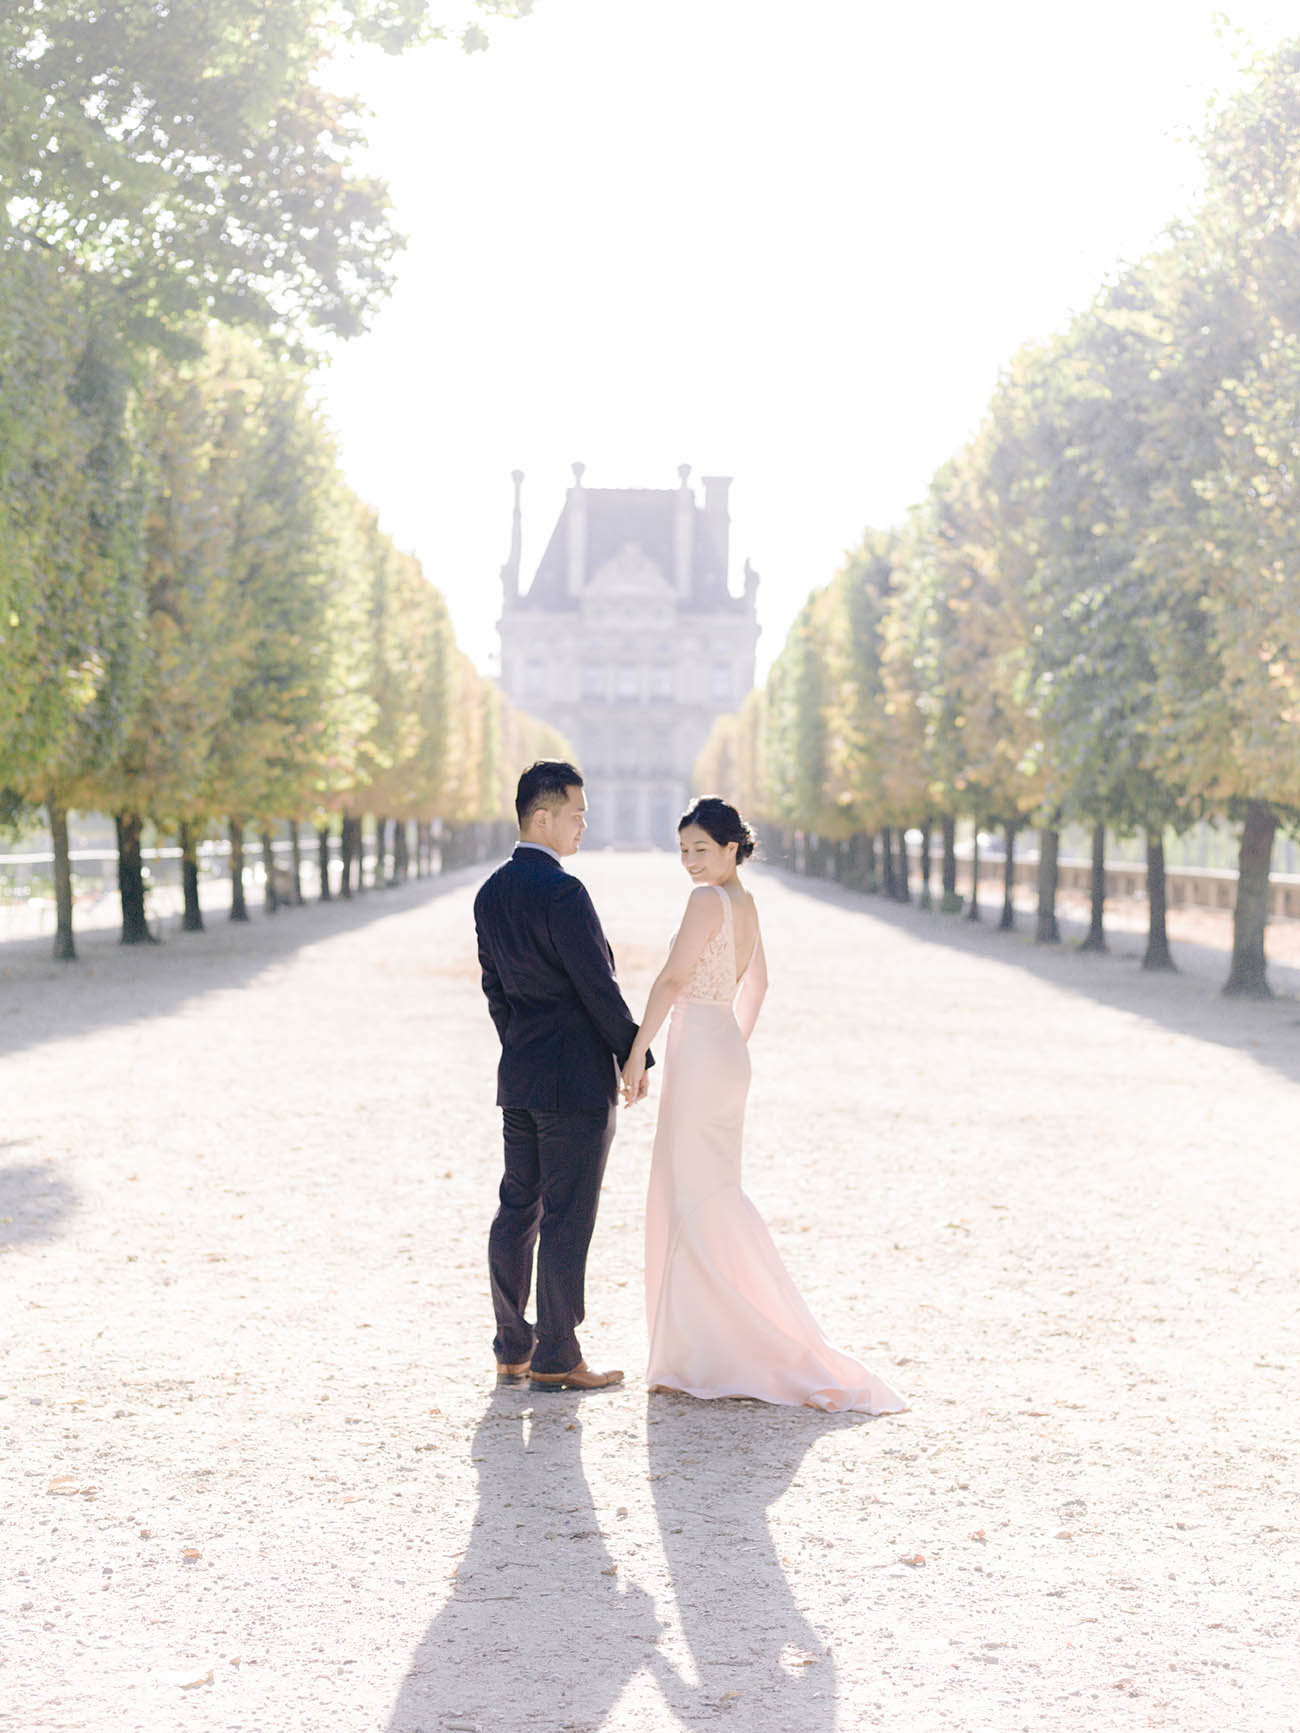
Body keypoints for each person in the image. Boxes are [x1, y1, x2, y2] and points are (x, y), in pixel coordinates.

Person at [621, 798, 907, 1414]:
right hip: (724, 1048)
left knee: (690, 1191)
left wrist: (636, 1051)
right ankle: (712, 1342)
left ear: (731, 847)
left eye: (700, 849)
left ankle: (702, 1351)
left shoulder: (706, 902)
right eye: (683, 851)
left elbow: (672, 979)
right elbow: (760, 984)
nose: (690, 862)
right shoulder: (746, 904)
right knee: (712, 1189)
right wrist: (732, 1044)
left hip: (700, 1050)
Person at [473, 761, 652, 1393]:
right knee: (568, 1216)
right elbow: (597, 986)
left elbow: (496, 990)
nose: (584, 824)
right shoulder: (564, 892)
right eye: (577, 813)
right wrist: (636, 1055)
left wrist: (521, 1044)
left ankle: (511, 1347)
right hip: (574, 1080)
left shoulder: (490, 892)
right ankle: (558, 1353)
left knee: (517, 1207)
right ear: (541, 818)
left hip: (520, 1075)